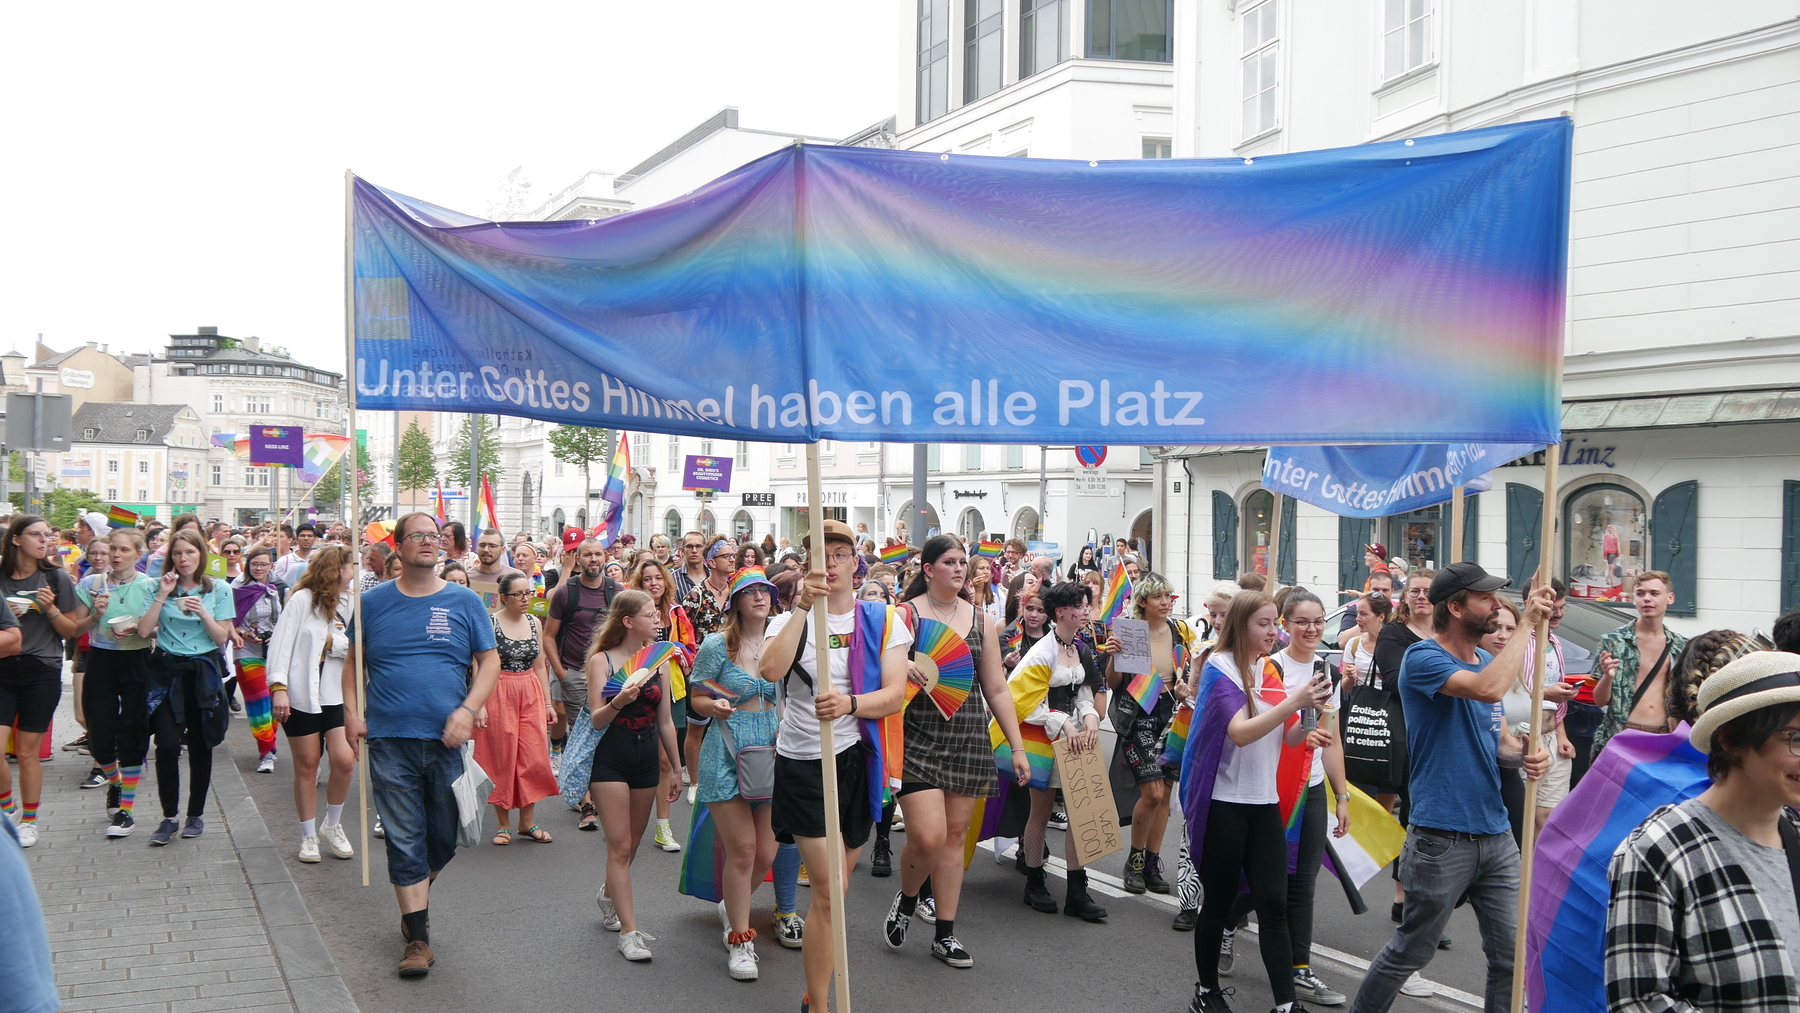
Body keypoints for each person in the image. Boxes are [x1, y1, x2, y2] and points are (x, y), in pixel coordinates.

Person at [1348, 563, 1554, 1013]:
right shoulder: (1423, 658)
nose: (1495, 606)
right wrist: (1528, 623)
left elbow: (1499, 743)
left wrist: (1525, 754)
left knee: (1512, 957)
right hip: (1441, 835)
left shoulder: (1485, 661)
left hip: (1496, 833)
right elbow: (1487, 690)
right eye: (1486, 598)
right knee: (1411, 951)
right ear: (1457, 608)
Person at [759, 518, 909, 1013]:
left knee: (833, 894)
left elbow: (894, 695)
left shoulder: (883, 620)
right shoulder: (788, 620)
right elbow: (769, 670)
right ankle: (822, 1006)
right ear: (807, 565)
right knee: (828, 885)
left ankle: (813, 995)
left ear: (855, 563)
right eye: (821, 556)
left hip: (856, 760)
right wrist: (803, 605)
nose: (831, 564)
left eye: (840, 554)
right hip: (803, 760)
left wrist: (849, 704)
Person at [342, 512, 499, 979]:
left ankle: (415, 899)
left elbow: (489, 662)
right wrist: (352, 713)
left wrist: (468, 709)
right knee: (404, 836)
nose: (429, 542)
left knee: (443, 837)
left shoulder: (465, 601)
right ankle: (418, 937)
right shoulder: (370, 603)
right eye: (418, 536)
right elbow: (352, 665)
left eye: (434, 536)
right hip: (389, 738)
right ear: (398, 546)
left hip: (448, 739)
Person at [1604, 651, 1800, 1011]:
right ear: (1729, 738)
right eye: (1796, 739)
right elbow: (1640, 1001)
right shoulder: (1661, 851)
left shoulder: (1794, 831)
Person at [884, 534, 1030, 969]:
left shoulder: (982, 618)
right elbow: (877, 672)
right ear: (928, 569)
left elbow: (997, 687)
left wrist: (1017, 746)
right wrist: (904, 665)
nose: (960, 568)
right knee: (927, 837)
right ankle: (909, 897)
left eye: (963, 562)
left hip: (968, 736)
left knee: (952, 838)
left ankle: (945, 934)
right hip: (916, 737)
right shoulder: (904, 615)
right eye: (949, 562)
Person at [1182, 589, 1332, 1013]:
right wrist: (1295, 702)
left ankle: (1286, 1004)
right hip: (1224, 803)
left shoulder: (1266, 669)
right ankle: (1206, 992)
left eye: (1274, 624)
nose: (1272, 632)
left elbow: (1289, 736)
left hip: (1264, 803)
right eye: (1263, 624)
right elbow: (1241, 732)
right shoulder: (1220, 667)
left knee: (1274, 904)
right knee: (1219, 902)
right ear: (1241, 625)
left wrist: (1310, 717)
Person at [1217, 589, 1354, 1006]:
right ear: (1286, 625)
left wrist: (1342, 795)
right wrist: (1298, 735)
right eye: (1302, 622)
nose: (1311, 629)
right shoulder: (1268, 667)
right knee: (1268, 880)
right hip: (1270, 789)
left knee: (1302, 881)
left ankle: (1300, 970)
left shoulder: (1326, 672)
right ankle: (1225, 921)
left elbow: (1331, 738)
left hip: (1309, 788)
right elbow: (1261, 733)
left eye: (1318, 621)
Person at [689, 566, 801, 979]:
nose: (759, 597)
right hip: (726, 748)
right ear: (735, 601)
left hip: (772, 748)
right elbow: (697, 696)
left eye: (765, 591)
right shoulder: (717, 644)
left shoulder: (782, 640)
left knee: (766, 852)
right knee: (742, 850)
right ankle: (740, 939)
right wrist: (713, 706)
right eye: (749, 591)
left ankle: (731, 905)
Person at [584, 589, 684, 962]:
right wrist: (619, 701)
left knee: (633, 845)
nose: (658, 619)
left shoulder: (659, 660)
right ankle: (629, 932)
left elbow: (665, 720)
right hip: (610, 759)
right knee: (621, 846)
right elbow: (597, 719)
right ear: (628, 622)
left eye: (657, 613)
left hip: (646, 759)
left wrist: (677, 767)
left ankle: (608, 894)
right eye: (650, 614)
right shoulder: (602, 661)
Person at [1008, 580, 1110, 922]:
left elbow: (1083, 693)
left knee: (1082, 814)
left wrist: (1090, 716)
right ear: (1062, 612)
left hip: (1076, 741)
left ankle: (1077, 892)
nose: (1086, 610)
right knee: (1040, 812)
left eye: (1086, 605)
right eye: (1080, 606)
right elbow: (1021, 700)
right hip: (1043, 739)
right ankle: (1034, 883)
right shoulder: (1042, 652)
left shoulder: (1080, 648)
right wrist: (1062, 721)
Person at [135, 529, 235, 847]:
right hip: (167, 672)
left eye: (190, 552)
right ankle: (169, 817)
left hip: (202, 673)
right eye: (177, 553)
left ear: (201, 555)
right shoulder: (158, 586)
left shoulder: (218, 588)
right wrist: (162, 595)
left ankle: (195, 814)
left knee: (201, 745)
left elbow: (221, 638)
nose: (183, 558)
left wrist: (203, 611)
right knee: (166, 745)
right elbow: (144, 630)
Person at [265, 545, 356, 863]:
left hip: (334, 694)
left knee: (344, 760)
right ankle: (307, 836)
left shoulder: (351, 602)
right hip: (300, 693)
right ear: (337, 569)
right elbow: (281, 644)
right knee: (307, 764)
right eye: (350, 567)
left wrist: (334, 642)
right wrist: (279, 688)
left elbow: (354, 648)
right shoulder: (301, 600)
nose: (354, 573)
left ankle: (332, 824)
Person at [1109, 572, 1196, 897]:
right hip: (1139, 716)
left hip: (1171, 716)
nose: (1165, 602)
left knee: (1166, 793)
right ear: (1143, 601)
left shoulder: (1179, 631)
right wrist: (1114, 657)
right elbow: (1114, 683)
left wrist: (1185, 688)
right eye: (1158, 596)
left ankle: (1151, 863)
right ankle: (1134, 860)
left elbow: (1185, 673)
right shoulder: (1130, 631)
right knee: (1154, 793)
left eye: (1168, 596)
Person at [0, 515, 79, 846]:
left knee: (27, 752)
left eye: (47, 535)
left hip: (42, 668)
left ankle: (29, 821)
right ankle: (8, 809)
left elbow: (71, 630)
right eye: (36, 534)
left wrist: (50, 609)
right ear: (16, 539)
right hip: (3, 667)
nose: (45, 540)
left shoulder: (55, 576)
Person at [71, 527, 151, 837]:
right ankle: (115, 781)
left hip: (137, 660)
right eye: (113, 549)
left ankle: (126, 811)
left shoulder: (150, 586)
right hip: (101, 661)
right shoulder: (91, 584)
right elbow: (75, 628)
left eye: (124, 550)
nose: (116, 555)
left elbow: (160, 627)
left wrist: (140, 629)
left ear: (138, 554)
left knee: (132, 734)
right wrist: (95, 614)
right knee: (98, 738)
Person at [475, 570, 558, 847]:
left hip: (530, 689)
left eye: (528, 593)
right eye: (518, 594)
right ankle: (503, 824)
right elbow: (479, 665)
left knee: (533, 755)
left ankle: (527, 821)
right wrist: (479, 704)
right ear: (503, 597)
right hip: (499, 690)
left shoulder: (534, 622)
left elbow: (540, 665)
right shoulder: (490, 623)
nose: (525, 599)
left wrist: (547, 702)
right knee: (502, 755)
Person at [632, 557, 698, 850]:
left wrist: (678, 652)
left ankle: (663, 827)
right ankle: (624, 819)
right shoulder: (630, 610)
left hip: (672, 689)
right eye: (647, 579)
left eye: (658, 578)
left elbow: (690, 650)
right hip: (637, 687)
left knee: (665, 760)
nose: (653, 583)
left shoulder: (676, 612)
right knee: (634, 757)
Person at [1592, 571, 1689, 755]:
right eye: (1640, 593)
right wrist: (1607, 677)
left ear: (1670, 598)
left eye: (1654, 593)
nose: (1647, 599)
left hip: (1663, 737)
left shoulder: (1680, 645)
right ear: (1633, 599)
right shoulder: (1614, 641)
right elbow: (1599, 701)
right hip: (1624, 735)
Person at [232, 546, 285, 774]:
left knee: (274, 702)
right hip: (246, 652)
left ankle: (269, 745)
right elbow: (227, 621)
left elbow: (282, 619)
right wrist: (244, 634)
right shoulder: (237, 588)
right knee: (260, 701)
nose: (259, 568)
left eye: (263, 564)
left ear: (271, 565)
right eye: (255, 564)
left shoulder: (276, 588)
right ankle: (266, 752)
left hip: (272, 652)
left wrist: (276, 634)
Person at [1339, 592, 1390, 691]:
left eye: (1363, 614)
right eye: (1358, 613)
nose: (1358, 618)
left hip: (1391, 699)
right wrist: (1351, 678)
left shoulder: (1397, 644)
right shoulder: (1354, 644)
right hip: (1363, 699)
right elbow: (1347, 689)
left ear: (1381, 617)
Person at [674, 531, 708, 601]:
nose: (694, 550)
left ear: (705, 550)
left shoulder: (713, 576)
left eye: (698, 546)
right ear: (682, 551)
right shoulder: (672, 579)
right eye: (689, 546)